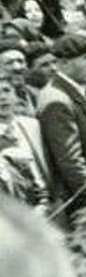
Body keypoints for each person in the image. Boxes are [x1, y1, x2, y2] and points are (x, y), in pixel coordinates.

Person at [37, 34, 86, 221]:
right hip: (85, 205)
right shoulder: (57, 100)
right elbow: (71, 162)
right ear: (63, 64)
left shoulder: (81, 89)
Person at [0, 74, 48, 212]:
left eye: (6, 91)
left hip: (52, 209)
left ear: (15, 95)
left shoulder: (33, 126)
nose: (2, 97)